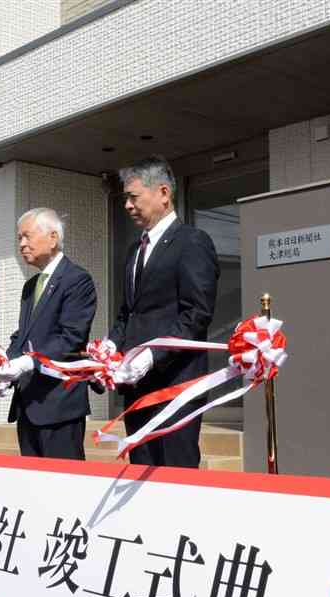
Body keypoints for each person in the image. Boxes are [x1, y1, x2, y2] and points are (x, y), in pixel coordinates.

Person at [106, 155, 219, 468]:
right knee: (140, 471)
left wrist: (151, 355)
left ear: (164, 193)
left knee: (174, 476)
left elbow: (196, 314)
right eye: (124, 198)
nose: (127, 206)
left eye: (133, 197)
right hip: (137, 388)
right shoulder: (134, 250)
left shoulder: (192, 242)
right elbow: (127, 314)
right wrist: (111, 344)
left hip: (175, 386)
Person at [0, 208, 97, 460]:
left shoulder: (77, 280)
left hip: (59, 403)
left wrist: (28, 362)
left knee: (64, 485)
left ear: (53, 237)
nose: (22, 244)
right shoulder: (31, 286)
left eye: (27, 236)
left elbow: (71, 337)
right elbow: (22, 335)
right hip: (28, 403)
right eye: (19, 238)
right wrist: (6, 369)